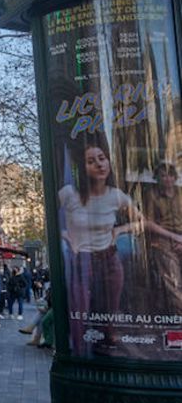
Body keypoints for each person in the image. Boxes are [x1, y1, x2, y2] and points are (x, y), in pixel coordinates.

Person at [57, 137, 138, 352]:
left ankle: (107, 346)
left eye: (102, 158)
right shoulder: (69, 194)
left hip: (110, 259)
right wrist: (65, 235)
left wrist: (120, 230)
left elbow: (141, 221)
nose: (100, 164)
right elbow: (50, 217)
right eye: (91, 161)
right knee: (79, 311)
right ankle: (80, 352)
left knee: (111, 312)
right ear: (83, 168)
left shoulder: (116, 196)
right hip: (82, 260)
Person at [142, 162, 182, 315]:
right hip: (163, 238)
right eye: (163, 175)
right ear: (157, 178)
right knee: (173, 281)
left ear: (175, 177)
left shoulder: (181, 192)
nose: (167, 179)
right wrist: (175, 237)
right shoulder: (151, 195)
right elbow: (148, 223)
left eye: (170, 175)